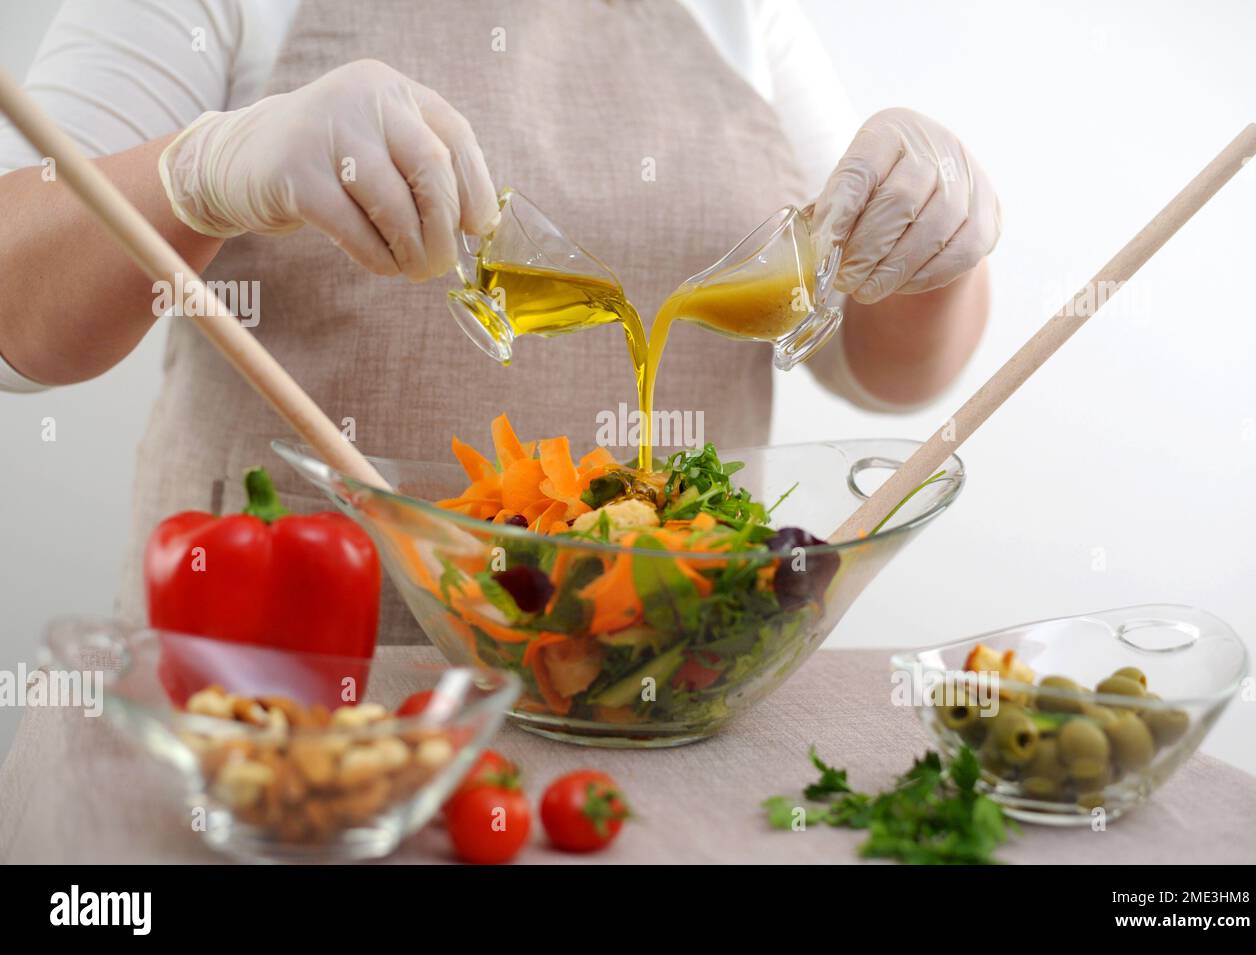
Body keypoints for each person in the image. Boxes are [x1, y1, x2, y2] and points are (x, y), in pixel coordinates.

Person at [0, 0, 998, 641]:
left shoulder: (744, 16)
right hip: (285, 690)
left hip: (664, 679)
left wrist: (934, 243)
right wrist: (209, 172)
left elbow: (882, 370)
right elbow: (17, 323)